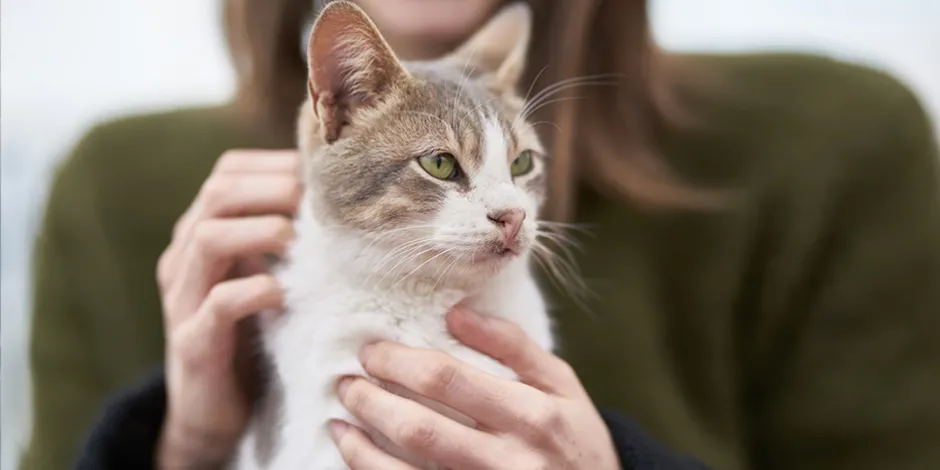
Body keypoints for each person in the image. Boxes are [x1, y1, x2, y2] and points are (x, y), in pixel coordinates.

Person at [21, 0, 940, 468]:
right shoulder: (113, 185)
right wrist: (183, 448)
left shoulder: (836, 138)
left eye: (524, 168)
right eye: (447, 166)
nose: (514, 212)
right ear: (334, 103)